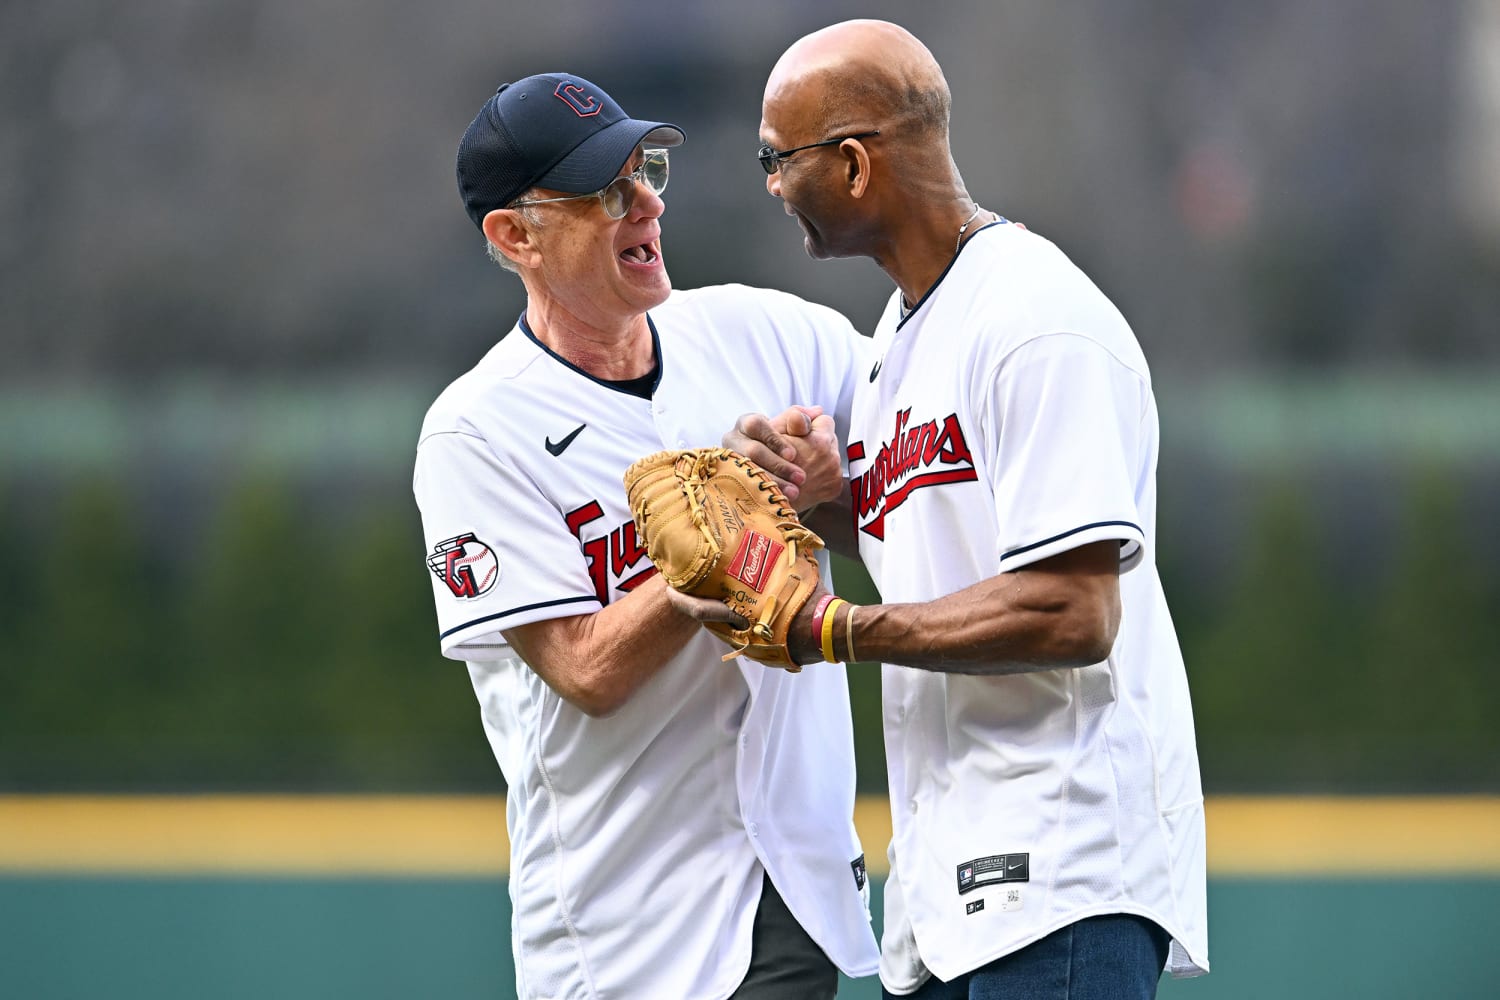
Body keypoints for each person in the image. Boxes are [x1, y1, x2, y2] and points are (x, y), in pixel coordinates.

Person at [714, 19, 1210, 999]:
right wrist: (838, 501)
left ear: (854, 165)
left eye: (777, 158)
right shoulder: (897, 335)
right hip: (948, 885)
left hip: (1063, 867)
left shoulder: (1033, 319)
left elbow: (1074, 609)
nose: (770, 185)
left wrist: (836, 630)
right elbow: (948, 568)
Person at [412, 72, 880, 999]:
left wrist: (828, 483)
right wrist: (717, 546)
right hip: (627, 927)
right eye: (604, 190)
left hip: (797, 888)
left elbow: (919, 465)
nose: (648, 202)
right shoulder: (476, 431)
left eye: (647, 169)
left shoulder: (765, 331)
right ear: (514, 236)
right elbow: (586, 671)